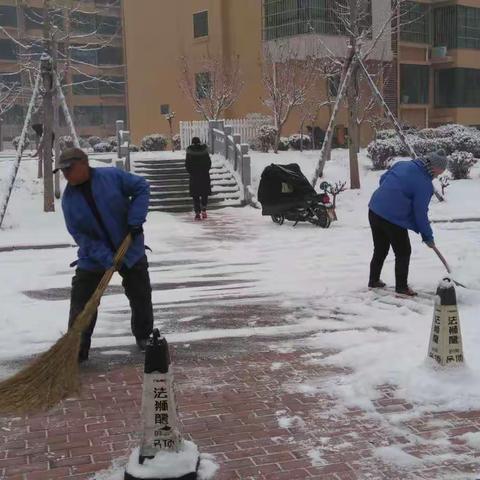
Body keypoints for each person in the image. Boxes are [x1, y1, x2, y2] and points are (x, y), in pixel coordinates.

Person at [54, 148, 154, 362]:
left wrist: (135, 221)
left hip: (130, 249)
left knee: (140, 295)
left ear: (84, 163)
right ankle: (77, 348)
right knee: (82, 301)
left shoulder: (111, 177)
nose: (66, 174)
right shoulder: (69, 200)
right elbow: (80, 236)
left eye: (69, 169)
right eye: (63, 171)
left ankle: (145, 336)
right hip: (94, 258)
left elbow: (141, 187)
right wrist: (107, 258)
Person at [368, 150, 448, 296]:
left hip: (374, 209)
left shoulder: (403, 164)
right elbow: (420, 213)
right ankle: (402, 287)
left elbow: (383, 179)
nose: (440, 174)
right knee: (403, 251)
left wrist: (393, 194)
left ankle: (373, 280)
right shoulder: (424, 184)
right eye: (441, 170)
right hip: (392, 217)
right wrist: (427, 236)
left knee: (380, 248)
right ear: (435, 166)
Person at [185, 136, 211, 221]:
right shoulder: (204, 151)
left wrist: (191, 172)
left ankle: (197, 213)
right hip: (204, 176)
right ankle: (203, 210)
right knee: (204, 194)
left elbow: (187, 164)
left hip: (194, 176)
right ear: (199, 142)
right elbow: (208, 162)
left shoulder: (189, 152)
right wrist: (205, 170)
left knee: (195, 196)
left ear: (192, 142)